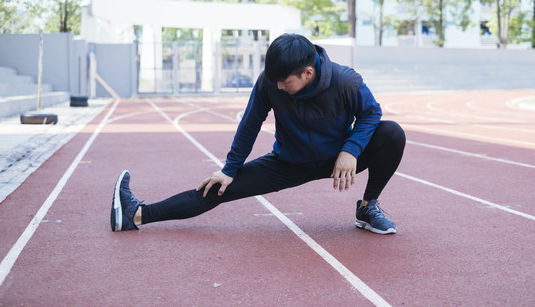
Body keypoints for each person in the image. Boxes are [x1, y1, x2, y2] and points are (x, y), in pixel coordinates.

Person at [111, 34, 406, 235]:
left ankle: (368, 208)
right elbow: (251, 123)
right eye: (274, 79)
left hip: (339, 158)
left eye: (284, 81)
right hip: (288, 164)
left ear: (307, 73)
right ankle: (136, 215)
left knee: (391, 133)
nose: (277, 87)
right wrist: (229, 169)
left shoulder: (346, 81)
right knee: (218, 188)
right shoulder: (269, 82)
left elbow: (371, 113)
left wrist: (350, 150)